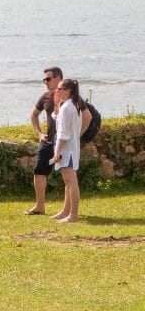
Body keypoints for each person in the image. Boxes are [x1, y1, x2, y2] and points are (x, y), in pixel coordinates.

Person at [26, 66, 92, 216]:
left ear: (58, 79)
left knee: (69, 180)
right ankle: (41, 207)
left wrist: (76, 136)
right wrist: (39, 133)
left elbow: (87, 118)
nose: (45, 82)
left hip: (63, 144)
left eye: (48, 79)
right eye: (44, 79)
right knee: (41, 171)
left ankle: (70, 213)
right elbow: (35, 115)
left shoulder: (72, 101)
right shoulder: (49, 97)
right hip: (51, 141)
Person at [50, 79, 84, 223]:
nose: (56, 91)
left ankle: (73, 215)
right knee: (68, 182)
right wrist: (57, 104)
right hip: (71, 149)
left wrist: (57, 151)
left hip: (67, 150)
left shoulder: (68, 108)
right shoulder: (71, 105)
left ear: (68, 90)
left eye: (59, 89)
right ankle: (66, 211)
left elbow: (63, 133)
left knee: (71, 183)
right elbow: (58, 118)